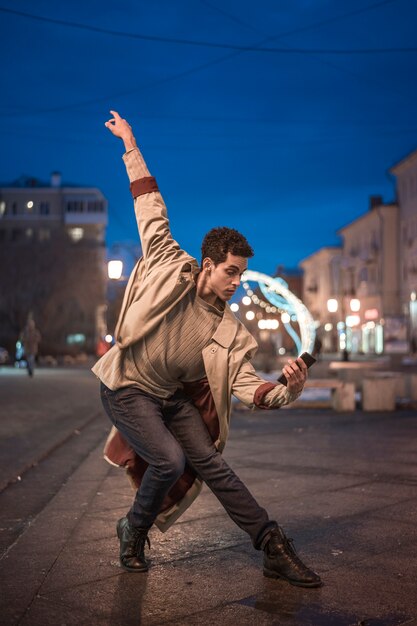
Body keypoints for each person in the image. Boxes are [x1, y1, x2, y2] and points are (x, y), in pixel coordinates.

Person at [92, 111, 322, 588]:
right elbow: (149, 203)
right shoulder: (167, 264)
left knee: (213, 463)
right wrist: (130, 142)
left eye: (241, 274)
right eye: (231, 272)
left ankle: (271, 543)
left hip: (170, 397)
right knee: (170, 461)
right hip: (127, 387)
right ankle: (133, 530)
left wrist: (285, 389)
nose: (237, 283)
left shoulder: (232, 331)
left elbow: (246, 386)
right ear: (209, 264)